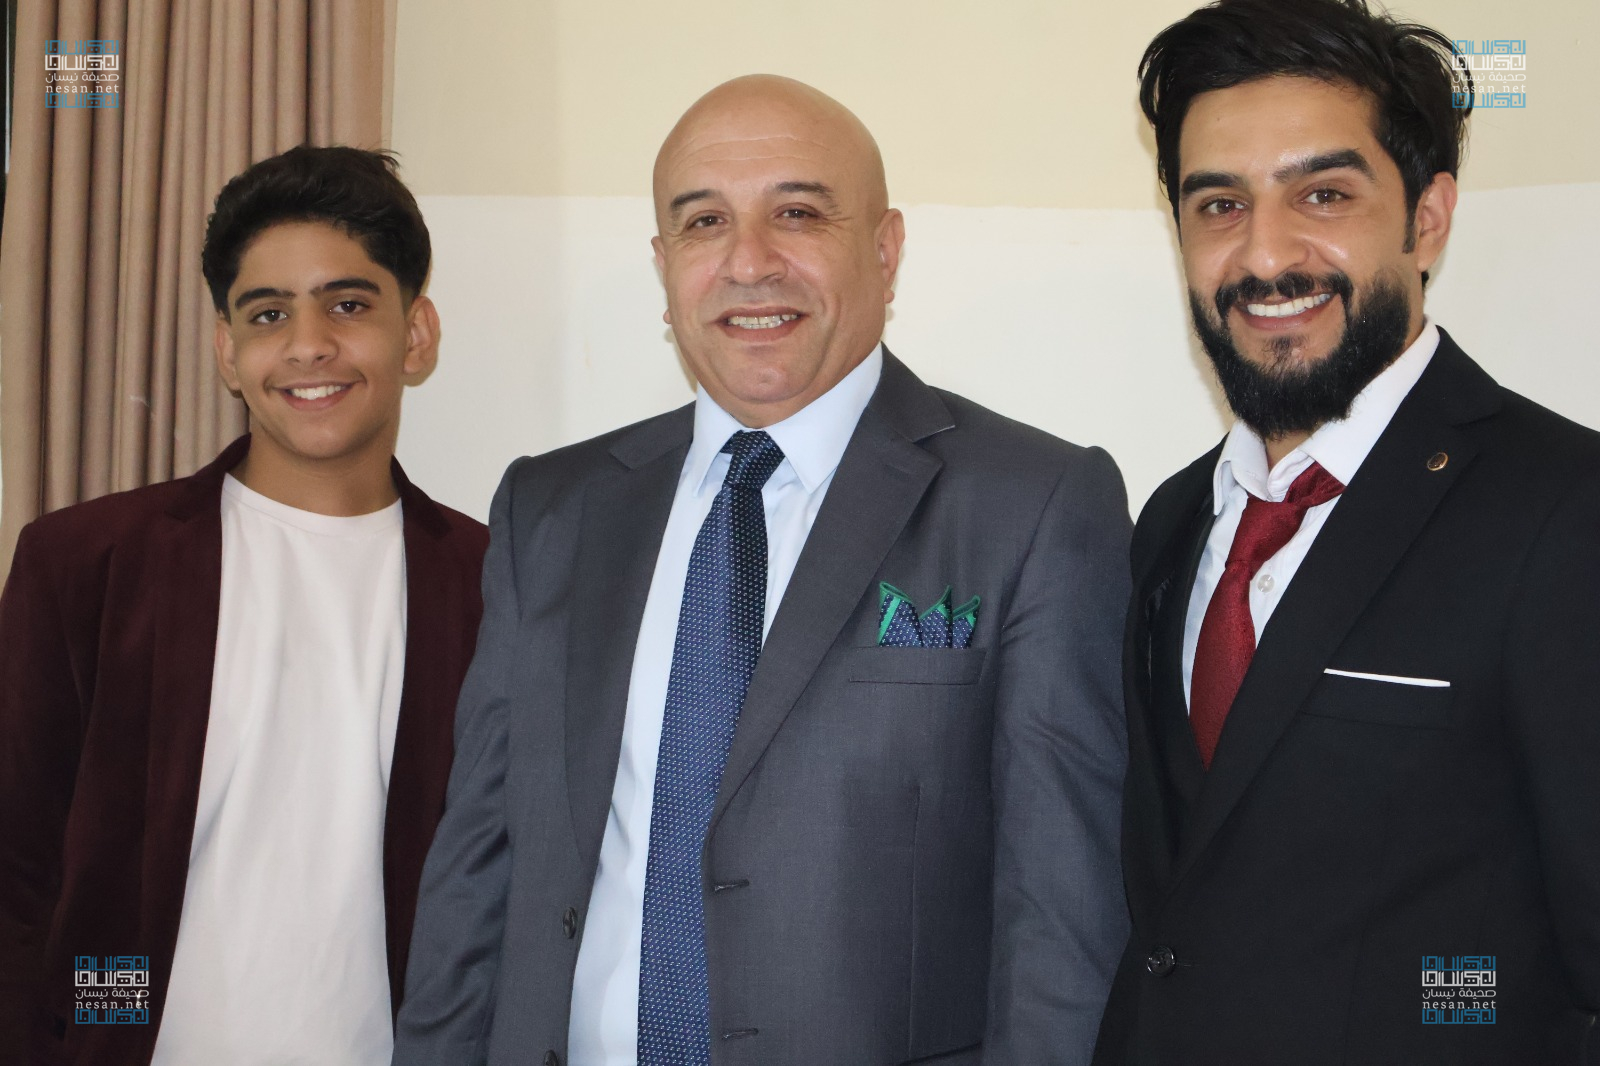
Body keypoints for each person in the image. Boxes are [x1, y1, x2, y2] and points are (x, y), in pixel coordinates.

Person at [394, 74, 1131, 1066]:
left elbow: (1063, 920)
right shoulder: (551, 509)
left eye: (797, 213)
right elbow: (476, 867)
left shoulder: (1032, 505)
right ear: (664, 265)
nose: (748, 262)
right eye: (704, 222)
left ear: (885, 249)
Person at [1094, 1, 1600, 1062]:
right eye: (1218, 204)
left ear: (1427, 218)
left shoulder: (1567, 509)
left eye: (1323, 194)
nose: (1265, 253)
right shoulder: (1172, 521)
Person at [0, 145, 489, 1066]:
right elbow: (18, 870)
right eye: (268, 314)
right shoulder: (86, 564)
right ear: (229, 351)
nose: (308, 345)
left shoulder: (492, 583)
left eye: (349, 305)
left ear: (416, 335)